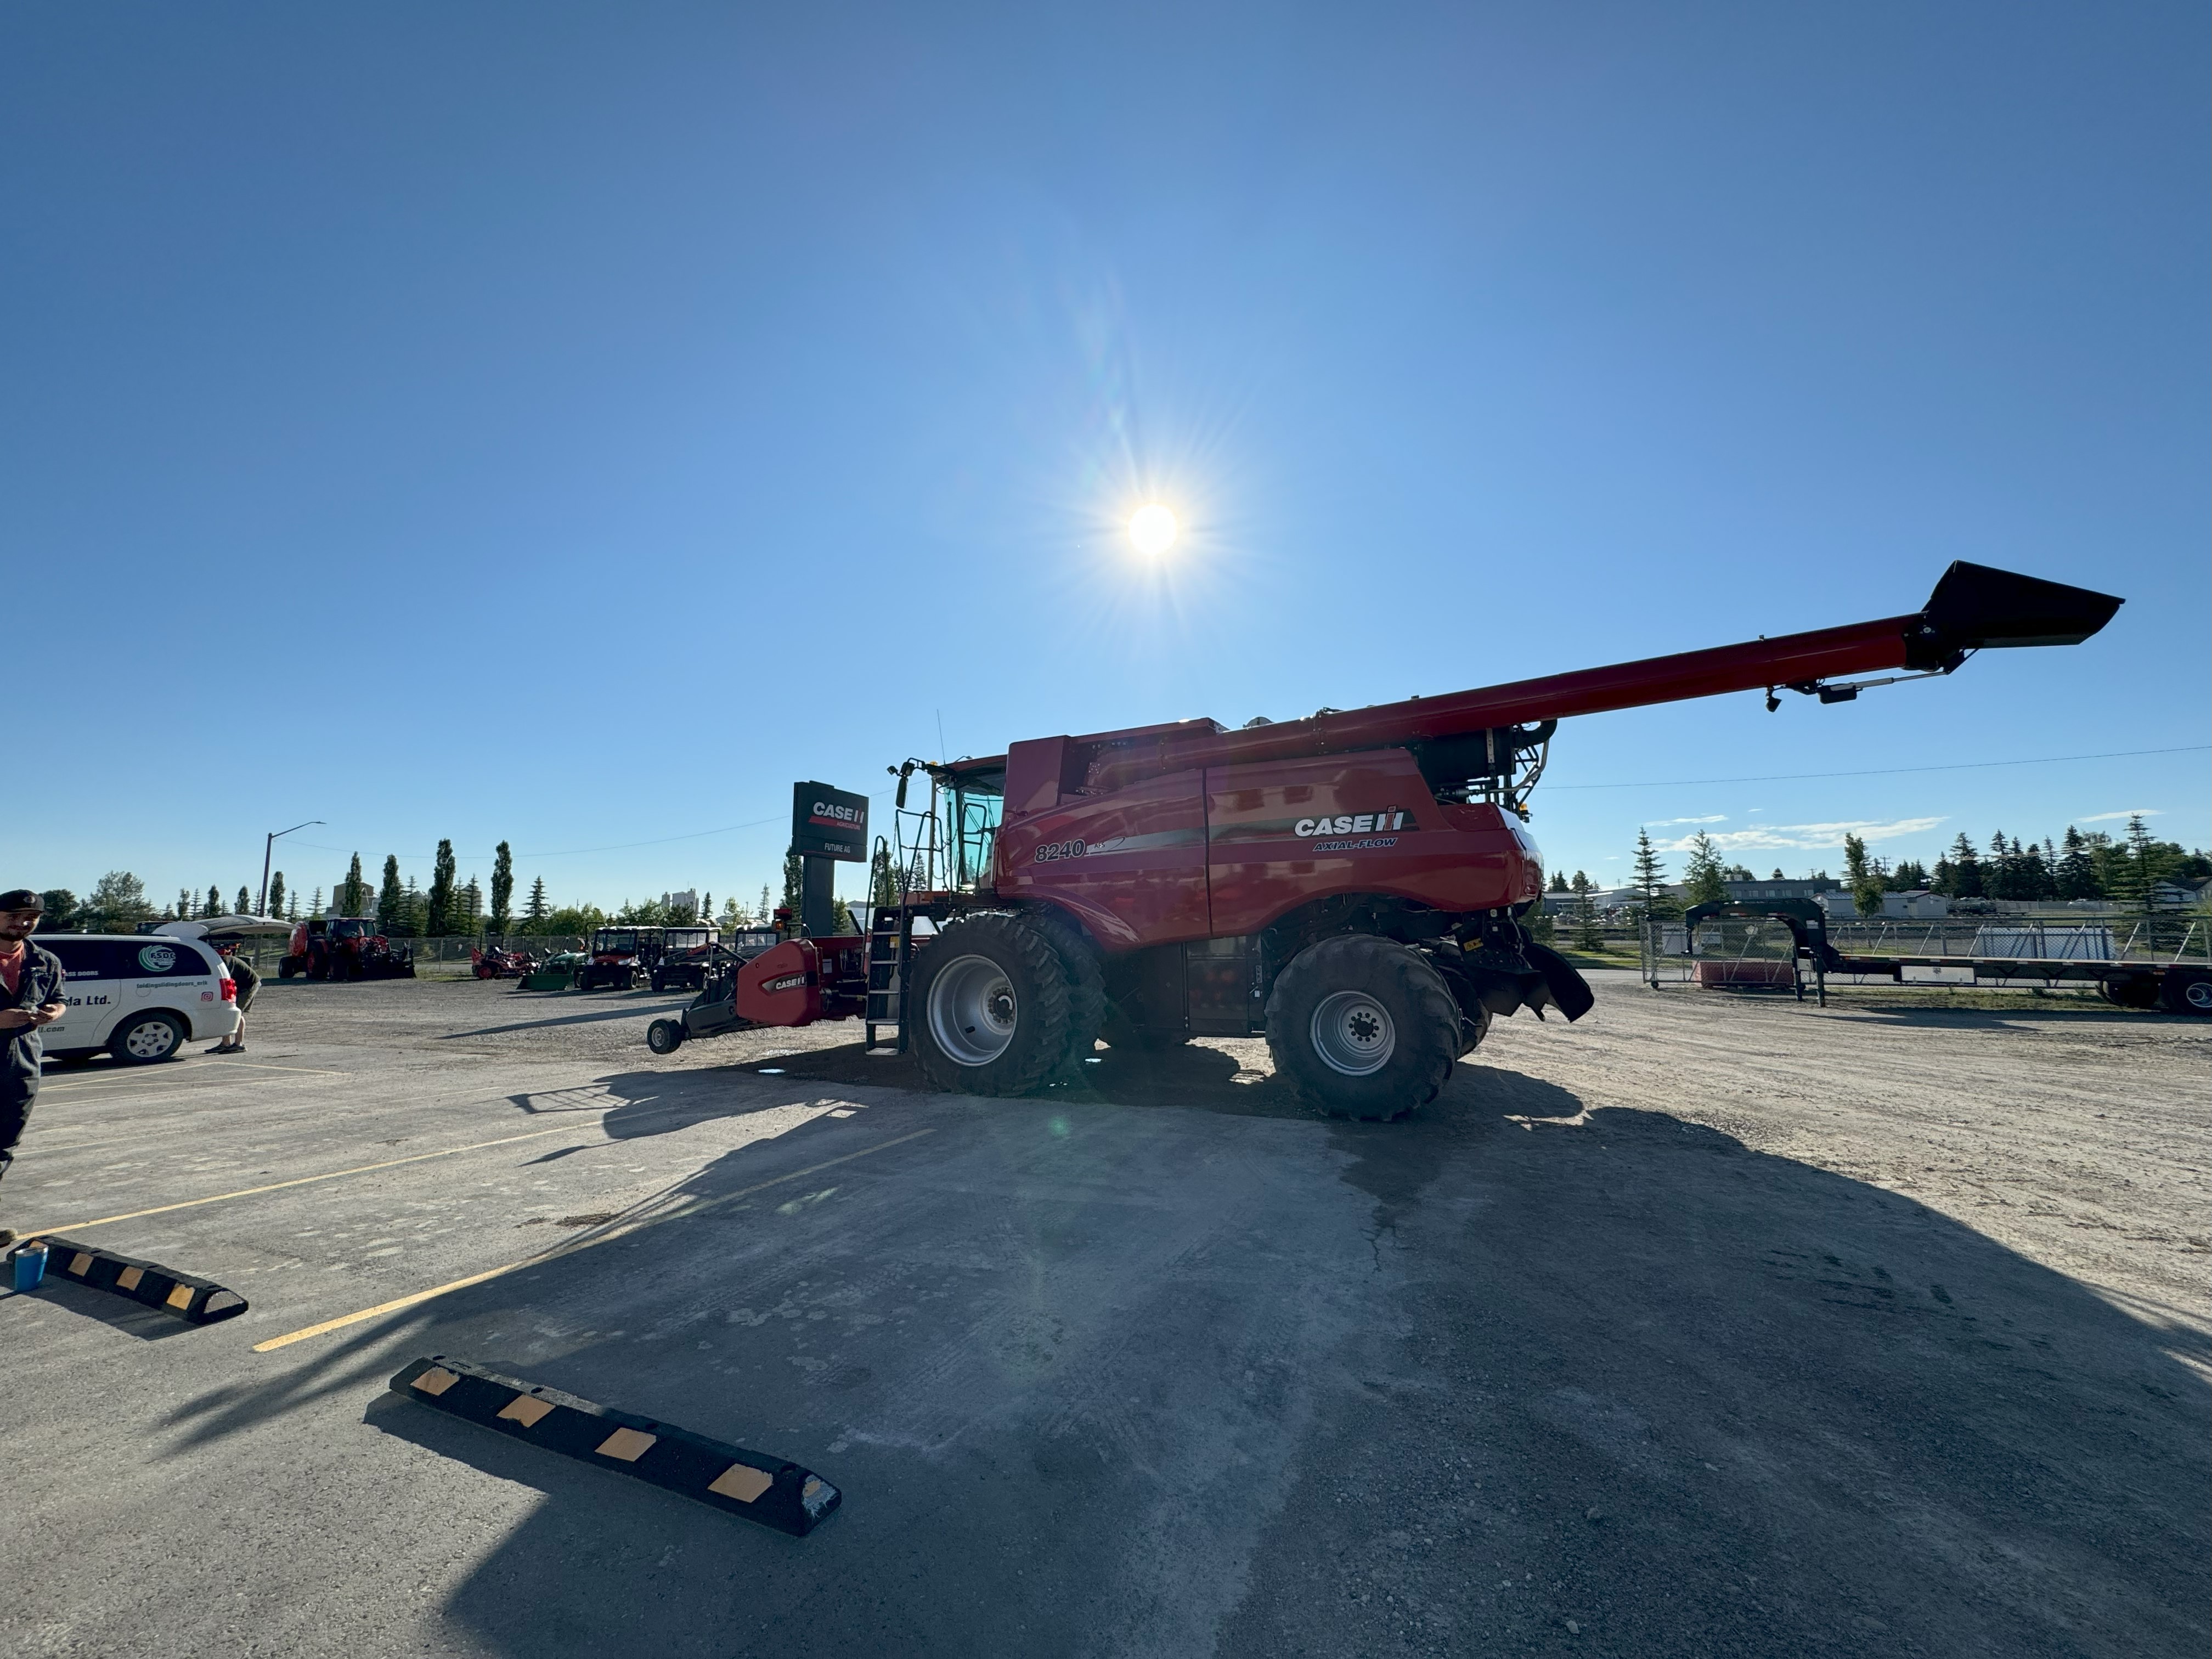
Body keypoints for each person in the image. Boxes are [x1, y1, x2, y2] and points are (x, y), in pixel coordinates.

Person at [0, 889, 67, 1249]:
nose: (22, 924)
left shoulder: (44, 960)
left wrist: (54, 1013)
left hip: (21, 1062)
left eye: (30, 918)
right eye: (13, 916)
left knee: (3, 1146)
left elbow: (59, 999)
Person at [209, 939, 258, 1053]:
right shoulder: (215, 964)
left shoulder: (223, 963)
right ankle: (226, 1043)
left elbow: (226, 983)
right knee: (227, 1012)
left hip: (249, 984)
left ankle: (239, 1044)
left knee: (236, 1012)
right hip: (239, 984)